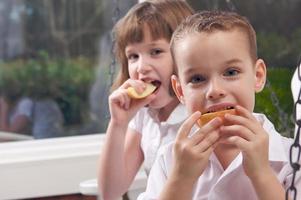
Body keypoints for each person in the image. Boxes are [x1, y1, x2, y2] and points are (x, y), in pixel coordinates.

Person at [138, 11, 301, 200]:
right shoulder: (169, 161)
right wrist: (180, 180)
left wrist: (262, 174)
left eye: (231, 72)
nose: (214, 90)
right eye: (197, 79)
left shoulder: (292, 160)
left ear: (257, 76)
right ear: (180, 91)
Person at [97, 1, 194, 199]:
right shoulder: (143, 116)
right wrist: (118, 124)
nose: (141, 67)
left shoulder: (198, 115)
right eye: (133, 56)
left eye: (155, 52)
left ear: (186, 53)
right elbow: (110, 191)